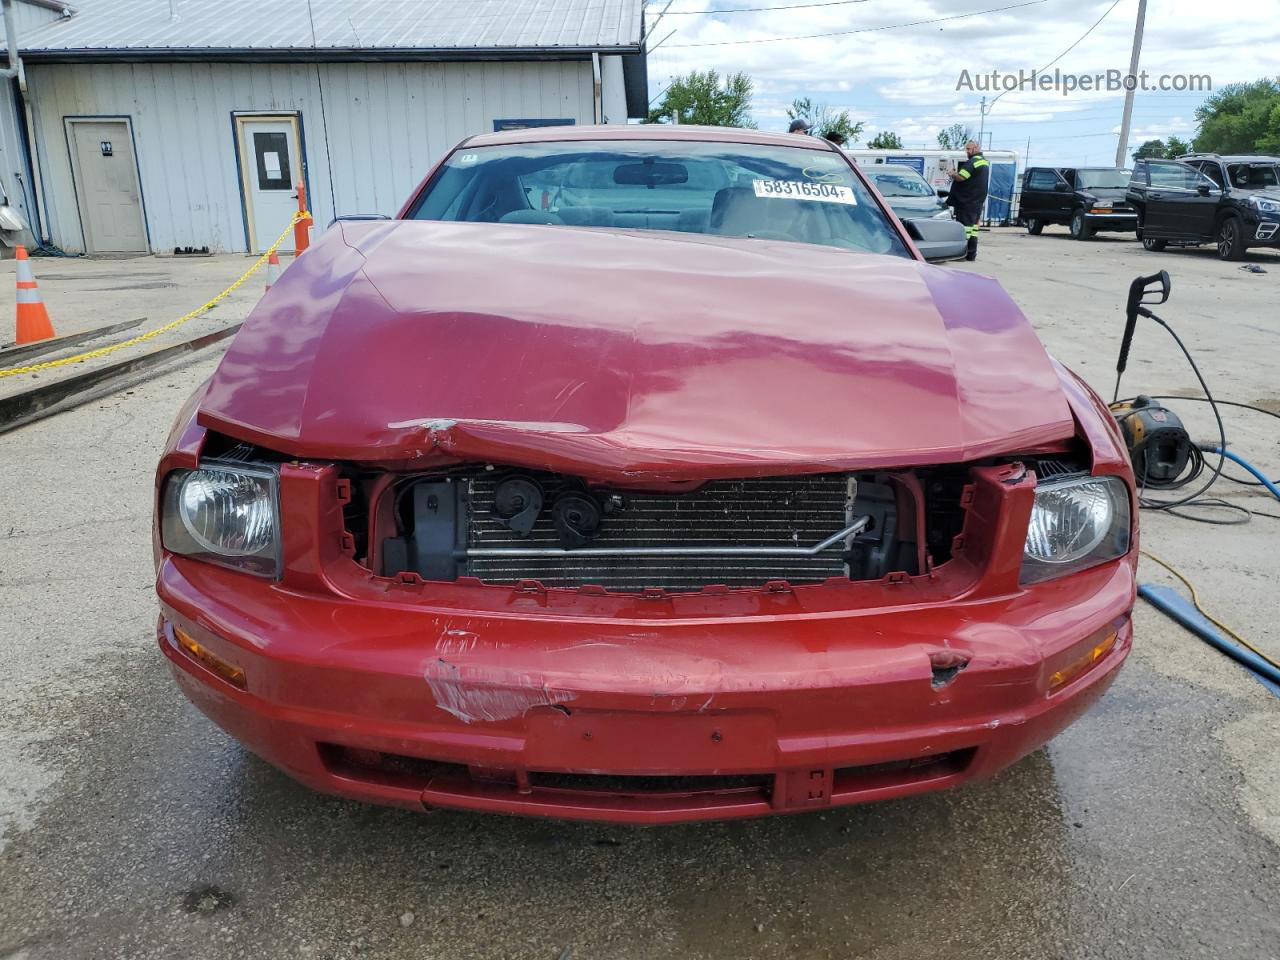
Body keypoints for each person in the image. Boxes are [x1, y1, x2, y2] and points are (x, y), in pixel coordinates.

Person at [946, 141, 990, 261]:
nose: (967, 151)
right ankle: (971, 254)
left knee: (964, 229)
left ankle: (961, 255)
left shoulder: (973, 162)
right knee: (973, 229)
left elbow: (961, 177)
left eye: (969, 149)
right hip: (977, 202)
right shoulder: (984, 162)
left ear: (976, 148)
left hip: (967, 201)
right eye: (966, 149)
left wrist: (952, 174)